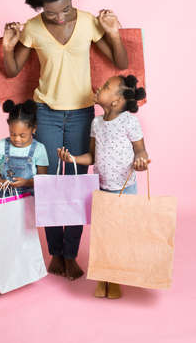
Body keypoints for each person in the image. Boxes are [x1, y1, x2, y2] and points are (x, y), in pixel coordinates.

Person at [2, 0, 128, 281]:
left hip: (82, 113)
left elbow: (119, 60)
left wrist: (112, 32)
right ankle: (54, 252)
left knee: (76, 183)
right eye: (50, 12)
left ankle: (70, 254)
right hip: (45, 112)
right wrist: (7, 46)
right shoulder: (31, 29)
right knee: (47, 182)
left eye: (65, 9)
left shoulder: (87, 22)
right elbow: (12, 69)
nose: (58, 18)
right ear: (38, 6)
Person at [58, 74, 150, 298]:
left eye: (107, 86)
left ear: (117, 101)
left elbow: (140, 150)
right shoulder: (96, 123)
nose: (100, 86)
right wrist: (71, 159)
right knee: (103, 236)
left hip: (124, 188)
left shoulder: (129, 121)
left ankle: (116, 279)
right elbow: (92, 156)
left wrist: (141, 161)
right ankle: (103, 277)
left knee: (119, 236)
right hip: (103, 189)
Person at [0, 99, 49, 196]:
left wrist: (26, 182)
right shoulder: (2, 145)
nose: (17, 139)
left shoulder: (39, 149)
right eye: (13, 134)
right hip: (5, 197)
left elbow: (42, 179)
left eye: (22, 135)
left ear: (33, 129)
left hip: (29, 199)